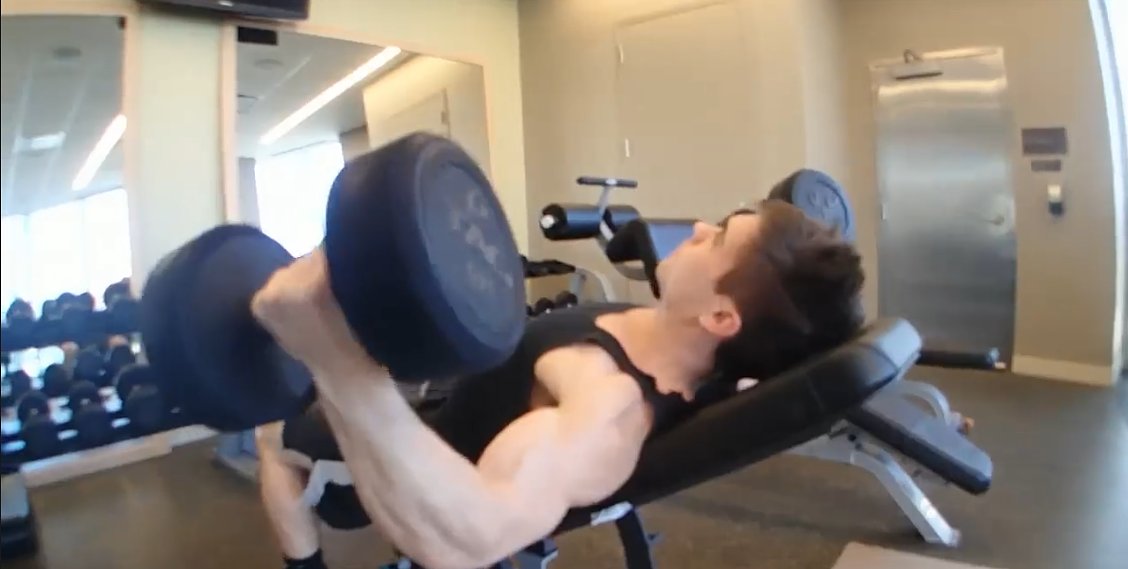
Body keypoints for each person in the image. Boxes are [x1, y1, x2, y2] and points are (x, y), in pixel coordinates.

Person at [252, 200, 865, 569]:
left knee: (270, 438)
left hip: (408, 458)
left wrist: (336, 362)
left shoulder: (606, 406)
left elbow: (469, 540)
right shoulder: (686, 347)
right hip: (444, 393)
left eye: (720, 239)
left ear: (722, 318)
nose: (701, 227)